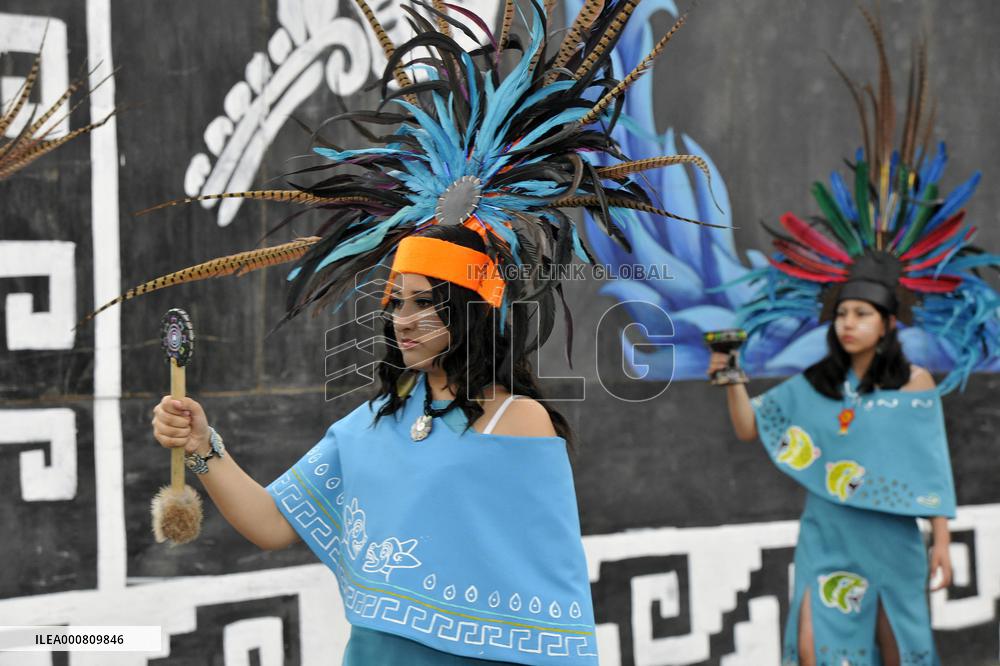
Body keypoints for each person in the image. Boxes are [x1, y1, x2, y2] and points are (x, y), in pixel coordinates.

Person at [89, 0, 719, 660]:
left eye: (427, 304)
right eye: (396, 304)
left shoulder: (520, 422)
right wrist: (202, 446)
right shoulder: (370, 425)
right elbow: (273, 524)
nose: (404, 320)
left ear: (472, 314)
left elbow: (551, 592)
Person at [711, 7, 999, 665]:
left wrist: (944, 542)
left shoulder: (915, 383)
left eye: (862, 314)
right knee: (814, 649)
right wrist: (731, 377)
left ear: (888, 323)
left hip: (894, 535)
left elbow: (930, 465)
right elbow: (752, 427)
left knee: (897, 650)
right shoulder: (814, 382)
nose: (848, 323)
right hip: (828, 532)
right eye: (842, 314)